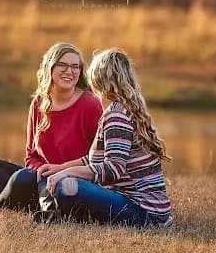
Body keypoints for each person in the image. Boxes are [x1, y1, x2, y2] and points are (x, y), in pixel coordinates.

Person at [41, 48, 173, 227]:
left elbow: (113, 168)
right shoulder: (118, 111)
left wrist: (66, 173)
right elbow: (96, 159)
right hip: (141, 207)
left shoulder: (117, 115)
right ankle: (63, 214)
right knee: (65, 182)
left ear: (97, 78)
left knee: (67, 186)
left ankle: (59, 215)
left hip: (145, 212)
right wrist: (61, 167)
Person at [0, 42, 103, 210]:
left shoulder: (90, 105)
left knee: (22, 178)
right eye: (63, 65)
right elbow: (31, 156)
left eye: (75, 67)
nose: (69, 71)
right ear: (50, 67)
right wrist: (40, 172)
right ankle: (30, 201)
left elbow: (99, 158)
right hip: (39, 178)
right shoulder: (39, 103)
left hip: (72, 182)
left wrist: (60, 171)